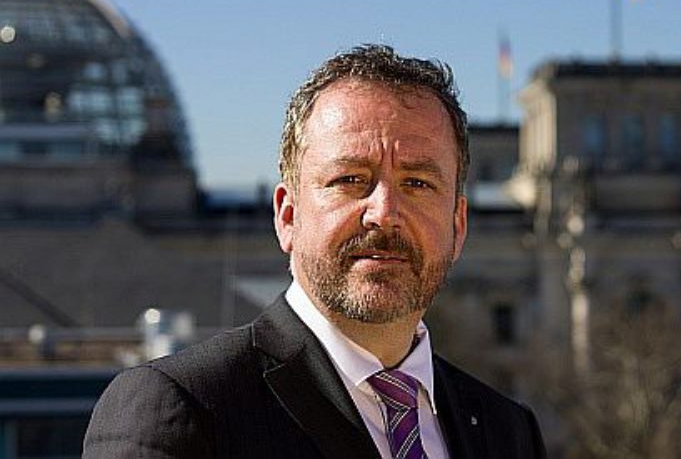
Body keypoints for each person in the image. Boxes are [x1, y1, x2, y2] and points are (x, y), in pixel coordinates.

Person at [83, 45, 546, 458]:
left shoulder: (508, 431)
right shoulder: (181, 411)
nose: (384, 213)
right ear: (287, 216)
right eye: (350, 180)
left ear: (458, 225)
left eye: (418, 183)